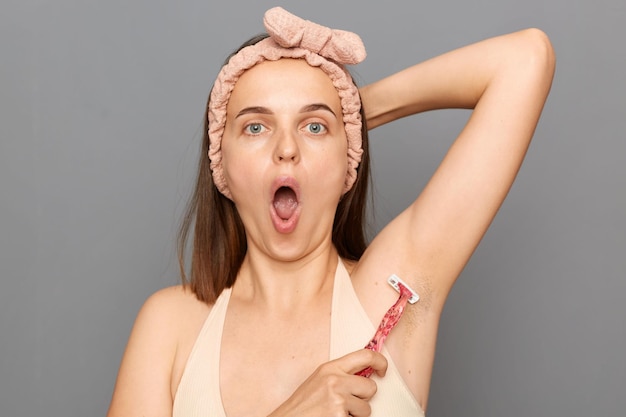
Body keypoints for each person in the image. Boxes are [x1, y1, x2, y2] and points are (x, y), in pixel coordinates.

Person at [107, 7, 555, 417]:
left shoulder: (393, 288)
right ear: (220, 163)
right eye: (256, 126)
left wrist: (352, 111)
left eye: (314, 126)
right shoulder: (169, 325)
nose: (286, 149)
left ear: (349, 163)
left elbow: (525, 59)